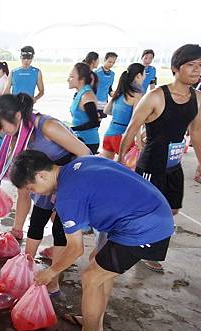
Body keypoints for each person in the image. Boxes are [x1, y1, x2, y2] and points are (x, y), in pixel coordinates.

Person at [11, 150, 173, 331]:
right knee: (97, 261)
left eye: (32, 188)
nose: (36, 194)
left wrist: (50, 273)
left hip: (145, 228)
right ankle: (95, 323)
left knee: (91, 277)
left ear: (42, 175)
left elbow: (75, 248)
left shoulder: (67, 197)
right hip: (151, 212)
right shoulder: (80, 164)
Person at [0, 94, 91, 293]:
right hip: (43, 180)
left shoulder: (47, 127)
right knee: (37, 222)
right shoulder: (19, 135)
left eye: (1, 127)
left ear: (17, 116)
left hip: (67, 181)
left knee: (61, 231)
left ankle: (53, 282)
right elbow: (19, 180)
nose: (0, 134)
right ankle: (24, 268)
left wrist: (69, 185)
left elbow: (85, 153)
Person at [119, 44, 201, 272]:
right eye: (191, 65)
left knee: (171, 209)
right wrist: (120, 162)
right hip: (151, 164)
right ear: (176, 68)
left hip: (174, 165)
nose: (197, 71)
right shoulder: (155, 97)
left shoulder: (198, 98)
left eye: (200, 66)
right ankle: (133, 246)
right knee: (145, 208)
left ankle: (148, 247)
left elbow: (196, 133)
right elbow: (131, 129)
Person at [100, 63, 144, 160]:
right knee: (128, 170)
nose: (144, 78)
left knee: (106, 168)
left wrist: (120, 114)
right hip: (123, 137)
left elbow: (106, 110)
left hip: (109, 135)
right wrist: (139, 143)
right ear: (138, 76)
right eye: (144, 74)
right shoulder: (136, 95)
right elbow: (136, 121)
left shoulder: (120, 92)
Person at [69, 62, 101, 154]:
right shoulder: (80, 93)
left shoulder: (86, 96)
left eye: (71, 76)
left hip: (88, 142)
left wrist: (72, 129)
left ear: (81, 79)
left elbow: (95, 122)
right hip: (80, 139)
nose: (68, 79)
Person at [95, 52, 118, 118]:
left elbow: (109, 89)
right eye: (109, 62)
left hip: (104, 103)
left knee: (99, 123)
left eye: (113, 62)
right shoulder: (96, 72)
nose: (111, 64)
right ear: (105, 60)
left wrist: (115, 94)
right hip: (94, 102)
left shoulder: (112, 74)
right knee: (93, 122)